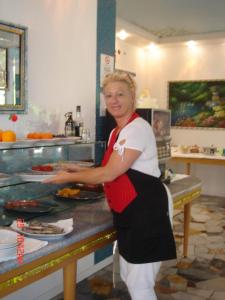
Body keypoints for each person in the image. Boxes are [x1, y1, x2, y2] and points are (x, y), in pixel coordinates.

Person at [44, 72, 176, 300]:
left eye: (120, 94)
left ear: (132, 97)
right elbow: (110, 166)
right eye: (109, 95)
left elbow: (110, 172)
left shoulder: (137, 129)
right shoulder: (117, 131)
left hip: (147, 210)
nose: (114, 100)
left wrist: (66, 178)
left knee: (141, 283)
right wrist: (75, 169)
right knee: (130, 273)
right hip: (132, 209)